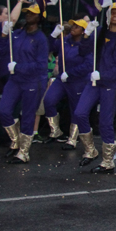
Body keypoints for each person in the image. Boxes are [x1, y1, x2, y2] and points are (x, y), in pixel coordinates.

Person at [73, 1, 116, 173]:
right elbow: (83, 51)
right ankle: (90, 150)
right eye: (112, 12)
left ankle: (108, 162)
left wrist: (104, 75)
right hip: (94, 82)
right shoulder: (100, 33)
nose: (115, 15)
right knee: (80, 113)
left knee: (105, 122)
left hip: (112, 85)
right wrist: (86, 35)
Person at [0, 0, 49, 164]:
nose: (28, 16)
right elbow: (1, 49)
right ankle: (15, 141)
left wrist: (18, 67)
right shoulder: (17, 34)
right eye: (27, 13)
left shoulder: (41, 39)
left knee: (27, 115)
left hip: (33, 81)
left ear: (40, 18)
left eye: (32, 14)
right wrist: (5, 34)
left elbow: (41, 65)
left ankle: (24, 152)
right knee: (3, 110)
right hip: (16, 80)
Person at [42, 17, 94, 145]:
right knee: (48, 100)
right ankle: (55, 130)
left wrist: (70, 73)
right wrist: (53, 35)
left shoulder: (86, 45)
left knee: (75, 109)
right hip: (62, 79)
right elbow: (48, 47)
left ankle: (72, 138)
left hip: (78, 81)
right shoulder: (65, 41)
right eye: (73, 26)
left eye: (76, 27)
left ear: (83, 31)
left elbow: (88, 64)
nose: (73, 28)